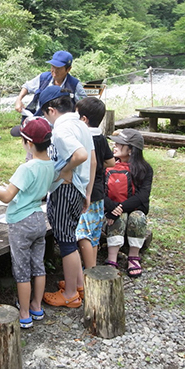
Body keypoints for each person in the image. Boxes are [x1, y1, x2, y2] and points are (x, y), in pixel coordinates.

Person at [0, 117, 55, 328]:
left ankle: (24, 313)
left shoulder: (26, 168)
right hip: (38, 219)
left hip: (21, 222)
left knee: (22, 269)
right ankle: (37, 306)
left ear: (29, 143)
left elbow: (7, 196)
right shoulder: (51, 164)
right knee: (38, 265)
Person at [39, 86, 96, 308]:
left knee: (65, 241)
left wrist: (65, 170)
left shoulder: (61, 130)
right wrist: (88, 193)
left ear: (51, 110)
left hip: (65, 189)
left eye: (44, 114)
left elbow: (80, 156)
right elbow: (92, 160)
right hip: (80, 189)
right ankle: (78, 283)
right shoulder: (81, 124)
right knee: (69, 236)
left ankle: (70, 294)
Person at [103, 129, 153, 278]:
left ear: (131, 150)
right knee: (121, 216)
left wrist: (119, 208)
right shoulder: (107, 165)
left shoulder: (145, 169)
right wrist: (112, 208)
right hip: (112, 210)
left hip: (132, 209)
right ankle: (112, 257)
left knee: (138, 217)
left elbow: (142, 196)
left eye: (120, 144)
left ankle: (133, 256)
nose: (115, 145)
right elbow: (99, 190)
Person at [73, 97, 115, 272]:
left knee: (83, 234)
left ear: (84, 119)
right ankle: (91, 268)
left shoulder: (82, 137)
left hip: (86, 192)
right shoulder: (101, 137)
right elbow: (111, 162)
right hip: (99, 191)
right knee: (94, 234)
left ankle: (91, 274)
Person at [14, 50, 87, 118]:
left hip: (63, 124)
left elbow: (84, 105)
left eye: (58, 68)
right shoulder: (43, 78)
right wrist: (19, 100)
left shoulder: (74, 85)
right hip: (39, 119)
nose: (54, 71)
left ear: (68, 69)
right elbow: (27, 86)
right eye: (52, 67)